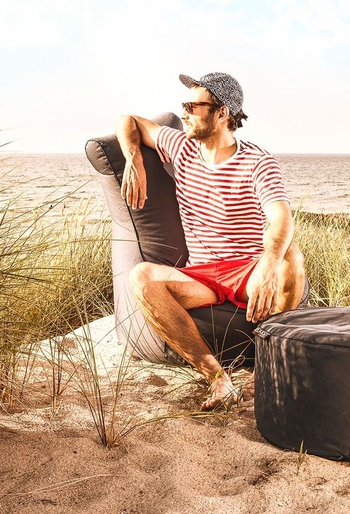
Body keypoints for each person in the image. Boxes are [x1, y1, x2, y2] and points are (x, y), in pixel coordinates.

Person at [116, 72, 306, 410]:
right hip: (201, 275)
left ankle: (269, 365)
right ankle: (219, 380)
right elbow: (127, 120)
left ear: (222, 114)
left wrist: (267, 265)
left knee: (291, 257)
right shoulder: (182, 147)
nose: (185, 112)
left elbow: (281, 217)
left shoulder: (257, 162)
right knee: (141, 276)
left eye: (193, 105)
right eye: (184, 105)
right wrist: (134, 158)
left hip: (248, 271)